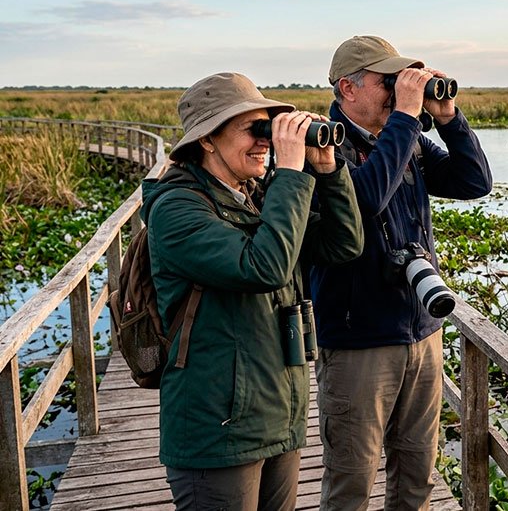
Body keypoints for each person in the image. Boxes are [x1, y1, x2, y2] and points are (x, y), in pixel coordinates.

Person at [142, 72, 364, 510]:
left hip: (278, 413)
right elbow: (265, 267)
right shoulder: (177, 208)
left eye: (269, 128)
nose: (265, 141)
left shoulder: (259, 195)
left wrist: (327, 169)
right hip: (218, 429)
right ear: (206, 140)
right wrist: (292, 174)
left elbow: (343, 245)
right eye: (253, 129)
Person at [310, 35, 492, 510]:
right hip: (358, 343)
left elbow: (474, 182)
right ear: (347, 89)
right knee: (351, 484)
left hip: (421, 332)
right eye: (386, 81)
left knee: (417, 476)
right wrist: (409, 118)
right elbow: (365, 200)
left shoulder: (404, 140)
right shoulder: (322, 149)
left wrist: (449, 118)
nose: (397, 91)